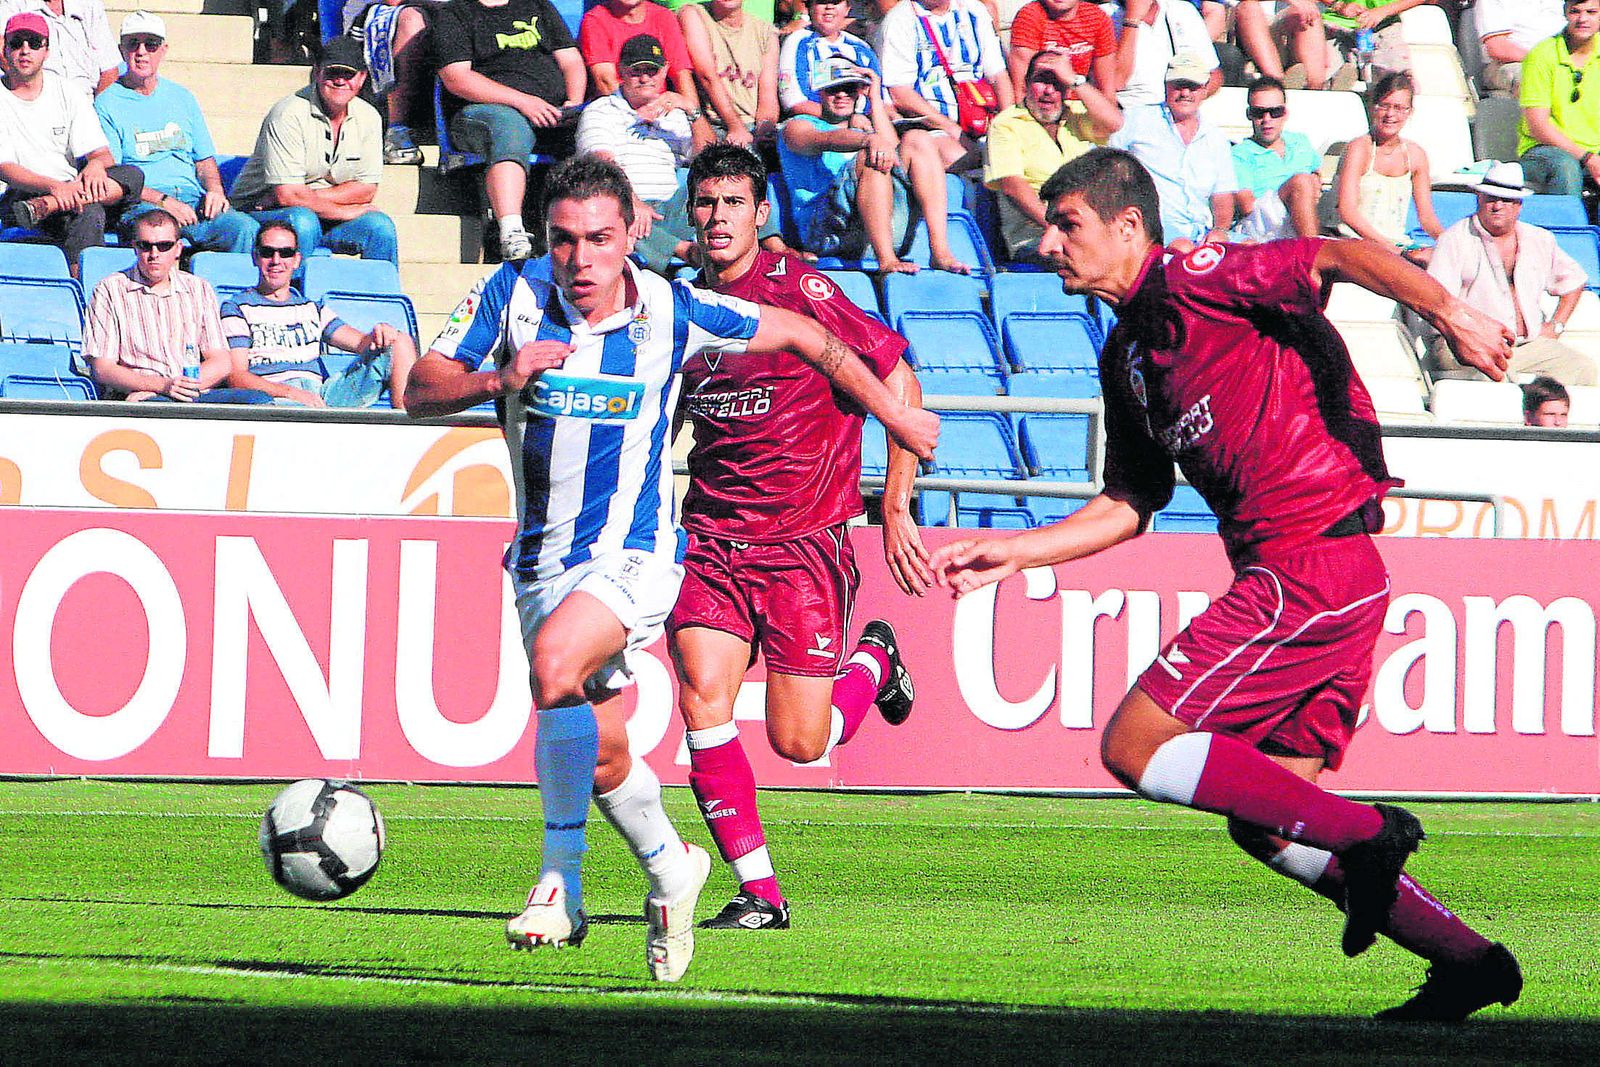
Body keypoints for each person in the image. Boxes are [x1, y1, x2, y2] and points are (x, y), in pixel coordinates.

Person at [931, 146, 1524, 1024]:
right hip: (1330, 574)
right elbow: (1136, 500)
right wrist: (1025, 551)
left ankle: (1373, 835)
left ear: (1128, 225)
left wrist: (1452, 315)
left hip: (1307, 565)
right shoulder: (1126, 354)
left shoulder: (1201, 276)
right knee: (1272, 819)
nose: (1049, 242)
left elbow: (1331, 255)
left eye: (1069, 224)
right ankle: (1470, 963)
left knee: (1133, 745)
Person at [402, 154, 938, 980]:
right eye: (564, 240)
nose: (581, 259)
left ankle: (561, 881)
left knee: (590, 681)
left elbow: (812, 336)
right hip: (576, 556)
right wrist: (496, 378)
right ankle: (681, 870)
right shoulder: (509, 297)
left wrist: (897, 436)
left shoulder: (675, 306)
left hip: (678, 550)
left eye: (600, 240)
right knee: (617, 745)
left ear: (630, 238)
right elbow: (419, 389)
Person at [669, 143, 925, 929]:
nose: (718, 217)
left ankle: (873, 658)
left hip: (803, 542)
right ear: (692, 212)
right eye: (706, 203)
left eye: (733, 203)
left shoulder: (801, 290)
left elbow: (900, 374)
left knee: (800, 743)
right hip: (711, 537)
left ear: (761, 213)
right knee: (701, 697)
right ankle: (759, 891)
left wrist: (894, 504)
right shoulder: (678, 307)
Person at [576, 34, 788, 273]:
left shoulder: (674, 114)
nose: (645, 78)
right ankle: (685, 251)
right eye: (636, 71)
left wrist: (691, 110)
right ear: (621, 71)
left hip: (674, 206)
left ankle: (774, 245)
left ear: (665, 70)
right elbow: (603, 166)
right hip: (628, 203)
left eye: (652, 71)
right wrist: (631, 201)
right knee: (612, 215)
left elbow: (709, 160)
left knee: (738, 178)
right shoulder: (601, 111)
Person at [93, 12, 258, 255]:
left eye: (151, 44)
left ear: (164, 49)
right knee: (158, 232)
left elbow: (204, 161)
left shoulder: (182, 97)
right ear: (121, 49)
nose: (141, 51)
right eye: (133, 43)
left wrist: (215, 190)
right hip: (143, 204)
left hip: (192, 199)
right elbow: (115, 177)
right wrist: (164, 201)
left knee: (245, 228)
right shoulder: (106, 103)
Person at [435, 0, 585, 262]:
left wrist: (573, 103)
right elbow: (456, 77)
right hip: (483, 112)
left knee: (599, 122)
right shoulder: (454, 13)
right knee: (509, 126)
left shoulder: (538, 5)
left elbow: (571, 60)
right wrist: (523, 101)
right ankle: (512, 232)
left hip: (551, 110)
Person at [779, 57, 961, 272]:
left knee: (918, 139)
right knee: (871, 158)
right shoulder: (796, 126)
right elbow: (824, 140)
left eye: (849, 88)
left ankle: (940, 251)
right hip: (829, 234)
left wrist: (875, 98)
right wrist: (867, 140)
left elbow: (893, 153)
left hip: (881, 227)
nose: (841, 95)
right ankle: (887, 261)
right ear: (819, 92)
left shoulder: (867, 130)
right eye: (832, 89)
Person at [1425, 160, 1597, 387]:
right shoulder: (1454, 240)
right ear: (1479, 198)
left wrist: (1556, 325)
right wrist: (1471, 337)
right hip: (1466, 344)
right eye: (1491, 198)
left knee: (1584, 369)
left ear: (1519, 205)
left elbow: (1575, 281)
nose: (1497, 206)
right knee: (1488, 376)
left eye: (1506, 200)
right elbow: (1436, 302)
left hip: (1526, 346)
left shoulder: (1540, 240)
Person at [230, 37, 399, 265]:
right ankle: (293, 297)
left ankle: (379, 297)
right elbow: (288, 195)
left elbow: (365, 190)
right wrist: (344, 211)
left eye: (348, 74)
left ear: (362, 78)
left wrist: (308, 197)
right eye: (332, 73)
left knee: (380, 227)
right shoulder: (288, 114)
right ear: (317, 72)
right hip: (259, 210)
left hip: (309, 211)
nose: (339, 81)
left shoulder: (369, 117)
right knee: (303, 220)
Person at [219, 221, 419, 409]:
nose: (276, 260)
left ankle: (409, 427)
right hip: (274, 397)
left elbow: (362, 343)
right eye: (267, 252)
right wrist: (290, 393)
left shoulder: (312, 308)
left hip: (322, 395)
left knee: (399, 342)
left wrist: (381, 332)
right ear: (255, 257)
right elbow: (237, 376)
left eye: (285, 253)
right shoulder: (236, 308)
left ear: (296, 260)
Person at [0, 13, 142, 274]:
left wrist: (96, 167)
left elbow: (101, 154)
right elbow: (6, 168)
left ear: (47, 50)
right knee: (89, 211)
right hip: (20, 195)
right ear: (5, 49)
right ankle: (85, 291)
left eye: (33, 42)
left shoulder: (67, 91)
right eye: (16, 42)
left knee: (132, 175)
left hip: (65, 193)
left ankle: (49, 207)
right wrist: (54, 187)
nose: (25, 50)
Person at [83, 209, 269, 404]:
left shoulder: (198, 288)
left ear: (178, 249)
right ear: (134, 247)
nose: (154, 254)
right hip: (143, 395)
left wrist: (180, 387)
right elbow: (103, 369)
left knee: (259, 401)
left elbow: (221, 361)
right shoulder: (109, 289)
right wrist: (162, 386)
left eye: (164, 246)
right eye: (145, 246)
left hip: (194, 391)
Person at [985, 49, 1119, 263]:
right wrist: (1061, 228)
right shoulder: (1006, 124)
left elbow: (1114, 123)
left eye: (1057, 83)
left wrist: (1075, 80)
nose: (1049, 91)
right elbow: (1013, 187)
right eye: (1041, 81)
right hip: (1036, 240)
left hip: (1087, 234)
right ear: (1026, 84)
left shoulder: (1076, 115)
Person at [1108, 52, 1237, 247]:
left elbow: (1223, 195)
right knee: (1183, 249)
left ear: (1204, 90)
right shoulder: (1135, 119)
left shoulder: (1215, 138)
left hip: (1202, 230)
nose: (1185, 93)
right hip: (1152, 229)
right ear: (1166, 87)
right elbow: (1106, 166)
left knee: (1252, 248)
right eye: (1178, 85)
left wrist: (1220, 230)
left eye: (1192, 87)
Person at [878, 0, 1012, 171]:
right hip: (930, 124)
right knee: (961, 156)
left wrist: (1009, 123)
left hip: (982, 116)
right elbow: (901, 94)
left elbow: (998, 75)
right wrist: (953, 130)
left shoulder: (974, 10)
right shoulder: (900, 20)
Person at [1327, 72, 1439, 264]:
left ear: (1409, 112)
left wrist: (1452, 243)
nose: (1390, 115)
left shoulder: (1415, 155)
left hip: (1395, 246)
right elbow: (1347, 211)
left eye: (1399, 108)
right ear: (1373, 108)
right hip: (1354, 241)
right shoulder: (1359, 149)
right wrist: (1390, 248)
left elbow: (1427, 217)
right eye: (1384, 106)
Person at [1518, 0, 1600, 198]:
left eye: (1591, 12)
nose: (1583, 19)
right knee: (1565, 168)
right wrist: (1588, 158)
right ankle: (1569, 227)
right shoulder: (1541, 55)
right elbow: (1538, 126)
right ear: (1565, 13)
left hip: (1594, 150)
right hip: (1546, 151)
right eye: (1575, 12)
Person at [1230, 75, 1320, 242]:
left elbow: (1316, 172)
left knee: (1305, 182)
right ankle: (1312, 251)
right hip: (1260, 224)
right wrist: (1294, 192)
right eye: (1259, 113)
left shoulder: (1300, 142)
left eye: (1275, 112)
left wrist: (1312, 184)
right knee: (1301, 182)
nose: (1267, 119)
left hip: (1301, 217)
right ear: (1249, 114)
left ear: (1285, 113)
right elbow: (1247, 206)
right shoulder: (1239, 154)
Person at [679, 0, 779, 147]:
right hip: (715, 124)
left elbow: (768, 96)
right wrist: (735, 127)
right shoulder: (694, 14)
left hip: (755, 126)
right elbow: (706, 76)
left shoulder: (765, 31)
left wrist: (764, 130)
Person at [777, 0, 880, 120]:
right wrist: (847, 120)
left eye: (836, 2)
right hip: (815, 123)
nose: (829, 7)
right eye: (822, 2)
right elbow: (793, 102)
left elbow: (883, 100)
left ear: (847, 9)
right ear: (809, 8)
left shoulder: (861, 47)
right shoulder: (797, 41)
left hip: (865, 122)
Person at [1112, 0, 1220, 109]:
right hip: (1128, 110)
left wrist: (1187, 100)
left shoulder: (1184, 11)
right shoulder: (1106, 16)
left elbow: (1214, 75)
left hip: (1176, 114)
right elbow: (1116, 82)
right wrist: (1132, 19)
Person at [1005, 0, 1117, 100]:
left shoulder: (1097, 18)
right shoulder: (1030, 15)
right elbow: (1021, 89)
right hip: (1042, 104)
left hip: (1082, 102)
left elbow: (1107, 91)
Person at [0, 0, 116, 97]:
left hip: (88, 101)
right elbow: (2, 51)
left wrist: (92, 113)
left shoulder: (90, 5)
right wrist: (29, 93)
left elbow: (110, 70)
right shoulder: (13, 4)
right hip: (37, 101)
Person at [1232, 1, 1337, 92]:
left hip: (1287, 24)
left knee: (1309, 12)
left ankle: (1315, 85)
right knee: (1249, 7)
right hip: (1250, 23)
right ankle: (1277, 83)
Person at [1475, 0, 1566, 99]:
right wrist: (1545, 59)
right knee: (1539, 78)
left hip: (1561, 58)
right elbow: (1498, 49)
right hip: (1510, 64)